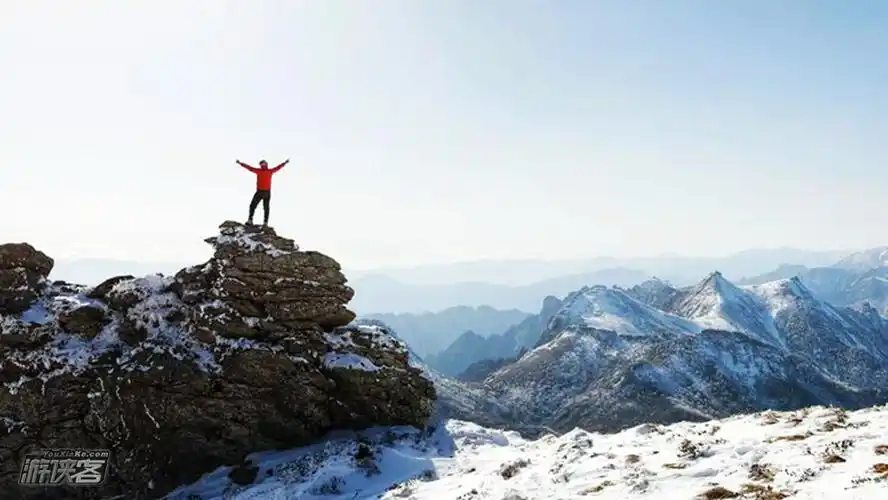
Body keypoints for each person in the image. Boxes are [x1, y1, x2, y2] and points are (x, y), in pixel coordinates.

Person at [236, 158, 289, 226]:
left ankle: (264, 222)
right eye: (261, 164)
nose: (262, 164)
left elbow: (278, 167)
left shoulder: (269, 171)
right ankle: (251, 220)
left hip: (265, 192)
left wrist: (284, 163)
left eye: (263, 163)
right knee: (253, 206)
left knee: (265, 207)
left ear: (266, 164)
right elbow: (249, 168)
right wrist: (241, 163)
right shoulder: (261, 171)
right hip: (261, 191)